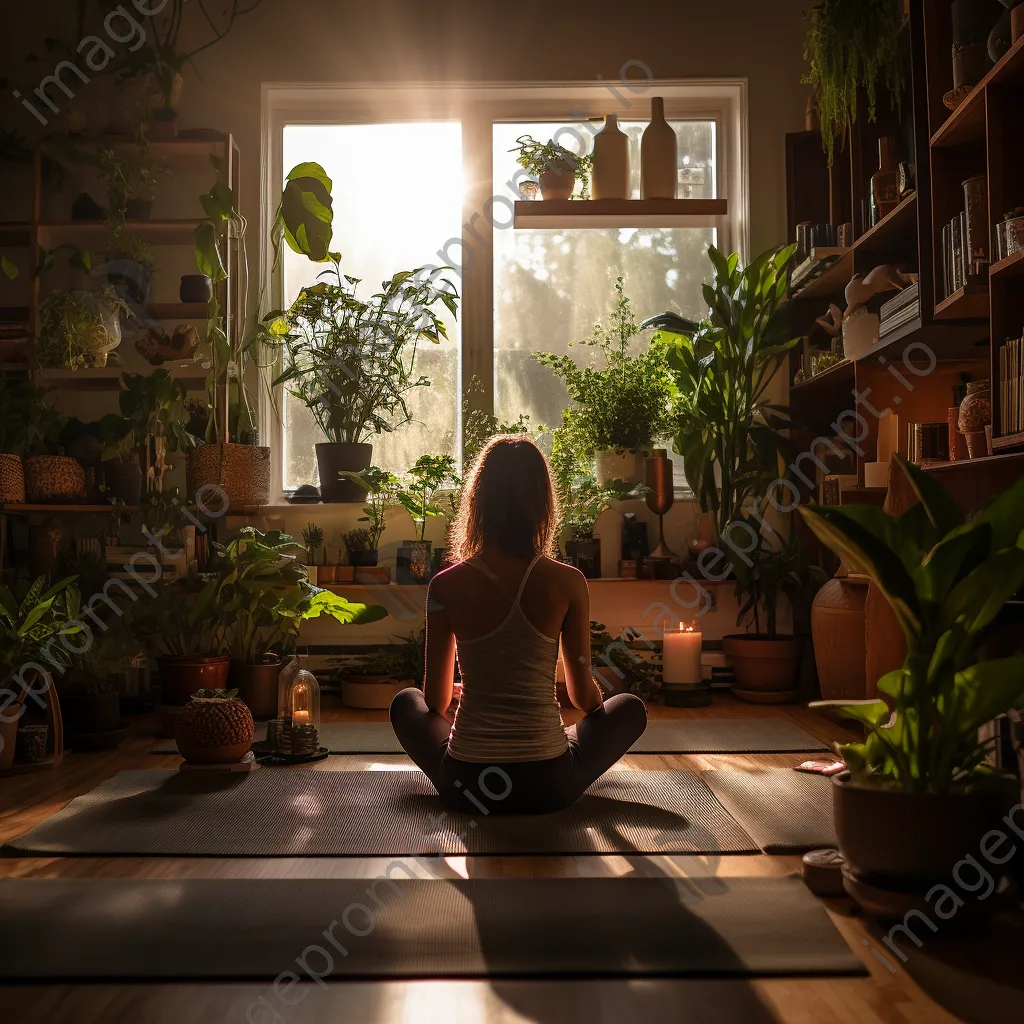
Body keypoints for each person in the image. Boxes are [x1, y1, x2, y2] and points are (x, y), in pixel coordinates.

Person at [390, 435, 647, 815]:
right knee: (628, 708)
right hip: (549, 784)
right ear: (543, 504)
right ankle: (548, 742)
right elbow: (583, 699)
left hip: (466, 787)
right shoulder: (568, 581)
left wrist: (473, 693)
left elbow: (434, 702)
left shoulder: (444, 585)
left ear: (478, 504)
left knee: (404, 704)